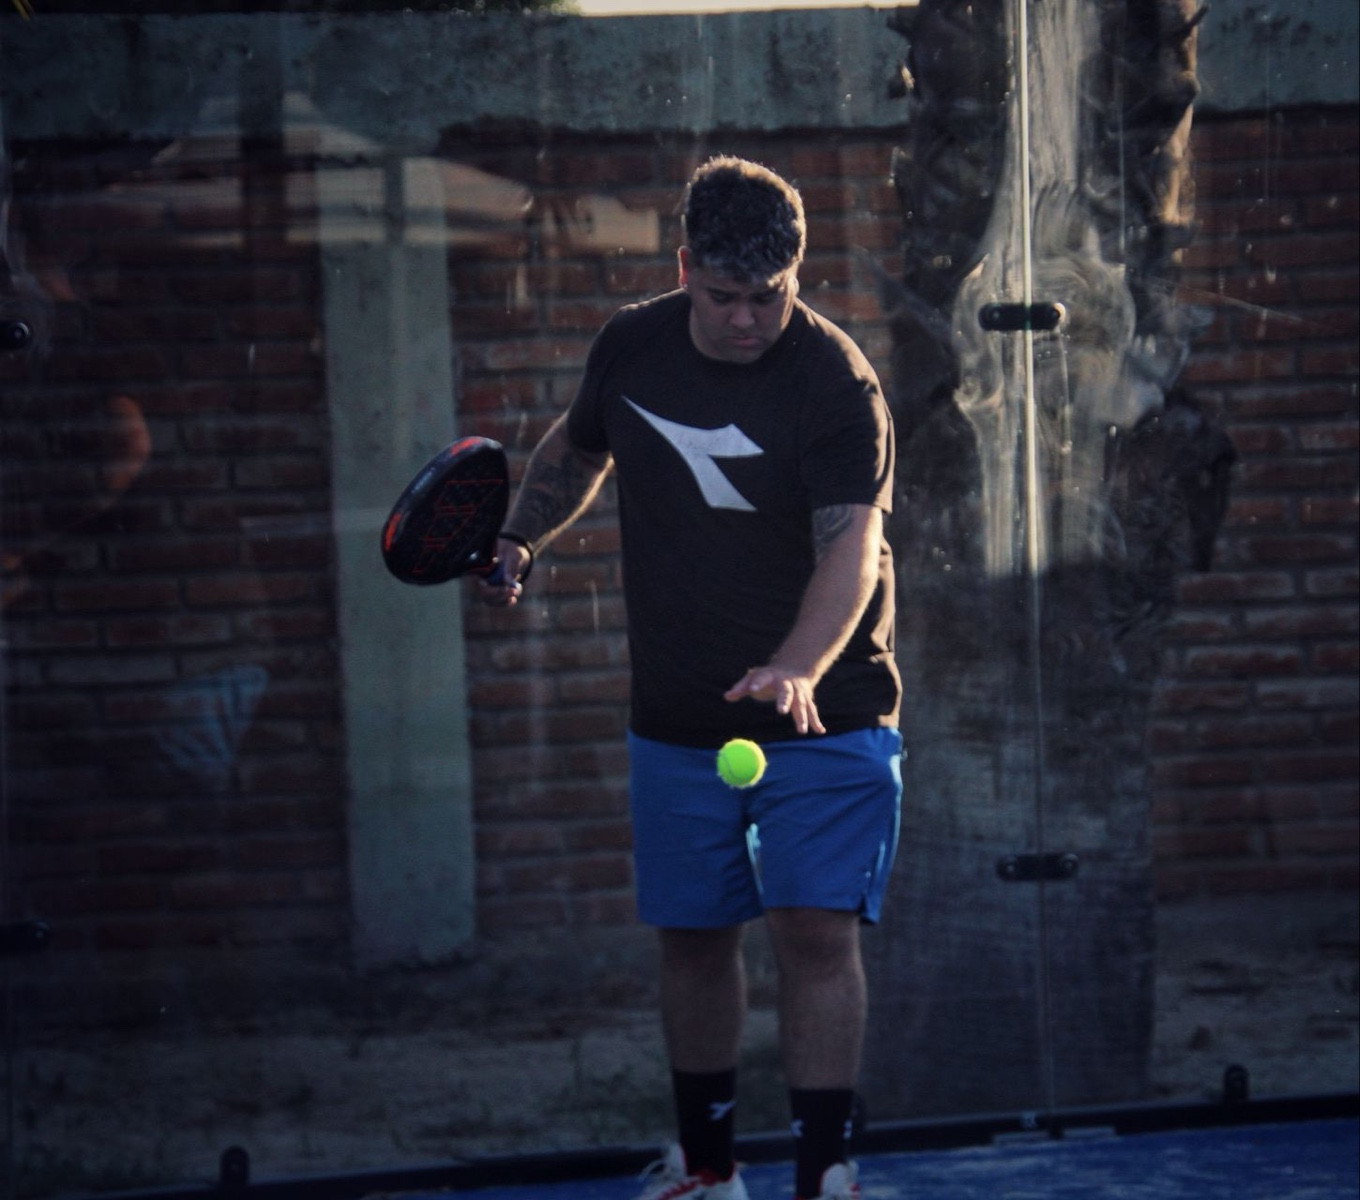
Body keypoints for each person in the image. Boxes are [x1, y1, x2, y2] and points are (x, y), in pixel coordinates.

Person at [480, 155, 902, 1200]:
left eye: (770, 296)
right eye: (724, 297)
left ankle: (824, 1174)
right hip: (675, 718)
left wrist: (796, 666)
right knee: (695, 940)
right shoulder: (631, 345)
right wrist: (519, 537)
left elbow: (852, 548)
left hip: (826, 715)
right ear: (682, 270)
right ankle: (709, 1171)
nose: (748, 319)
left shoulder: (836, 382)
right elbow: (577, 448)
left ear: (796, 276)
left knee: (813, 933)